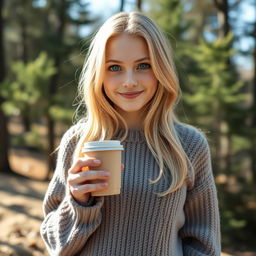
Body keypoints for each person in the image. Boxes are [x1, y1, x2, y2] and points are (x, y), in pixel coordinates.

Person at [40, 12, 221, 256]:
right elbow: (56, 246)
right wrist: (79, 203)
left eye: (143, 66)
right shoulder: (79, 141)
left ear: (161, 69)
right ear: (99, 74)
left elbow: (204, 246)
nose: (129, 81)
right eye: (114, 67)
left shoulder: (189, 146)